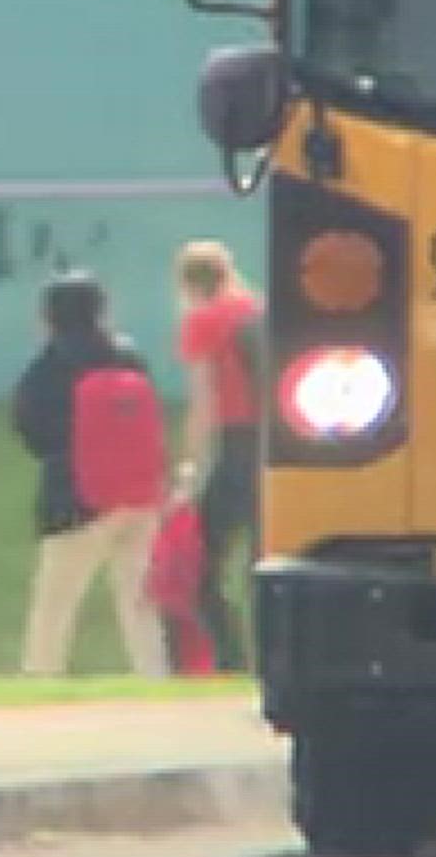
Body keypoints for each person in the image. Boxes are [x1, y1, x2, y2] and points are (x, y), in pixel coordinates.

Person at [13, 271, 170, 679]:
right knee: (141, 601)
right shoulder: (128, 357)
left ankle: (42, 677)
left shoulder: (49, 366)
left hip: (75, 499)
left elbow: (31, 430)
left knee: (55, 605)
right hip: (139, 496)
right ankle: (155, 676)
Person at [173, 240, 262, 671]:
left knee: (203, 566)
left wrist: (190, 467)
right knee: (262, 561)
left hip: (236, 443)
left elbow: (204, 400)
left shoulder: (204, 322)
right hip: (277, 447)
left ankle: (231, 658)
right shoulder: (257, 312)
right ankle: (273, 656)